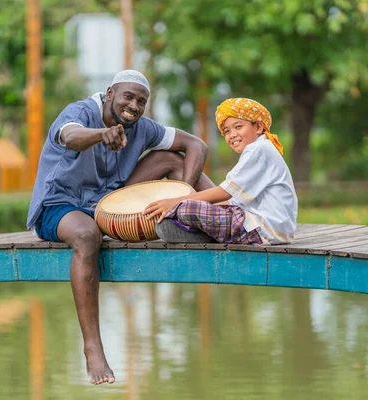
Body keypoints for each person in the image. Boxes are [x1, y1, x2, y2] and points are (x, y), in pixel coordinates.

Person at [26, 70, 214, 385]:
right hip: (59, 206)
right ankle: (93, 347)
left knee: (172, 158)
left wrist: (180, 196)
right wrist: (101, 134)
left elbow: (196, 145)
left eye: (142, 101)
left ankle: (215, 217)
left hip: (107, 203)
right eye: (128, 96)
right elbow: (70, 136)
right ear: (111, 92)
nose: (134, 105)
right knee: (87, 235)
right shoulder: (79, 112)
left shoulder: (142, 127)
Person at [144, 97, 298, 245]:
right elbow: (234, 200)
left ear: (258, 127)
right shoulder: (261, 149)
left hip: (263, 228)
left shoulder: (259, 149)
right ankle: (203, 231)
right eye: (226, 132)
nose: (232, 135)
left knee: (186, 209)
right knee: (188, 212)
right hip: (270, 229)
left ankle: (203, 233)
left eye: (238, 127)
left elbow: (226, 191)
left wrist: (175, 202)